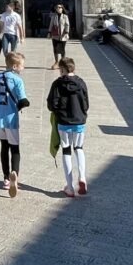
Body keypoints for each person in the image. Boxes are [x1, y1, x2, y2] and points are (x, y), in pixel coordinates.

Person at [0, 51, 30, 198]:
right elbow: (23, 101)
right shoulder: (17, 80)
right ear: (15, 66)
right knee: (15, 149)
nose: (23, 68)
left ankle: (5, 178)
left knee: (4, 147)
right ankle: (14, 175)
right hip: (11, 119)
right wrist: (22, 104)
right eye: (22, 66)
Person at [47, 57, 90, 198]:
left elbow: (51, 104)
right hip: (79, 120)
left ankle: (70, 187)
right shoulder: (81, 82)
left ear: (63, 69)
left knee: (66, 149)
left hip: (64, 121)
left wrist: (58, 111)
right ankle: (82, 177)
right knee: (79, 148)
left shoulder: (57, 84)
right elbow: (86, 104)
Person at [48, 3, 70, 69]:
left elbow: (67, 25)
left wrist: (66, 32)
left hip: (63, 35)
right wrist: (49, 32)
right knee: (55, 49)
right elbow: (51, 24)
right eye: (57, 7)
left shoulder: (65, 16)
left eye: (60, 7)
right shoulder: (54, 16)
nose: (58, 8)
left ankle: (62, 63)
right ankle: (56, 62)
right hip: (55, 35)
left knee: (62, 49)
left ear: (62, 8)